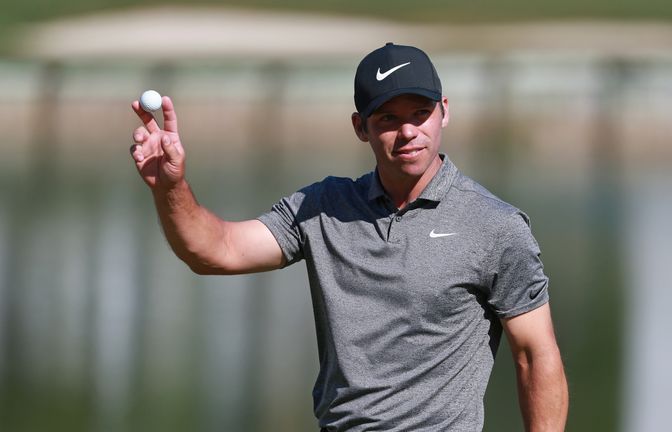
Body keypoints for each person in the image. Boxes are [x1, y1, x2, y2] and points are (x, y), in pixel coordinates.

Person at [130, 43, 568, 431]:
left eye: (421, 114)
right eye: (389, 119)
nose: (409, 132)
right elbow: (215, 252)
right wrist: (171, 186)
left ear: (445, 111)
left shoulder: (494, 225)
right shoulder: (323, 206)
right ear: (361, 127)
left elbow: (535, 355)